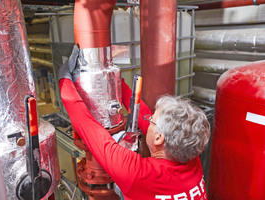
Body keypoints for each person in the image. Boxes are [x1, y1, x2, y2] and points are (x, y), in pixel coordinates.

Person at [59, 46, 211, 200]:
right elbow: (142, 114)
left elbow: (87, 127)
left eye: (152, 120)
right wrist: (114, 81)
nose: (148, 120)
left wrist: (64, 78)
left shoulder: (138, 174)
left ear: (159, 138)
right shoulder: (191, 155)